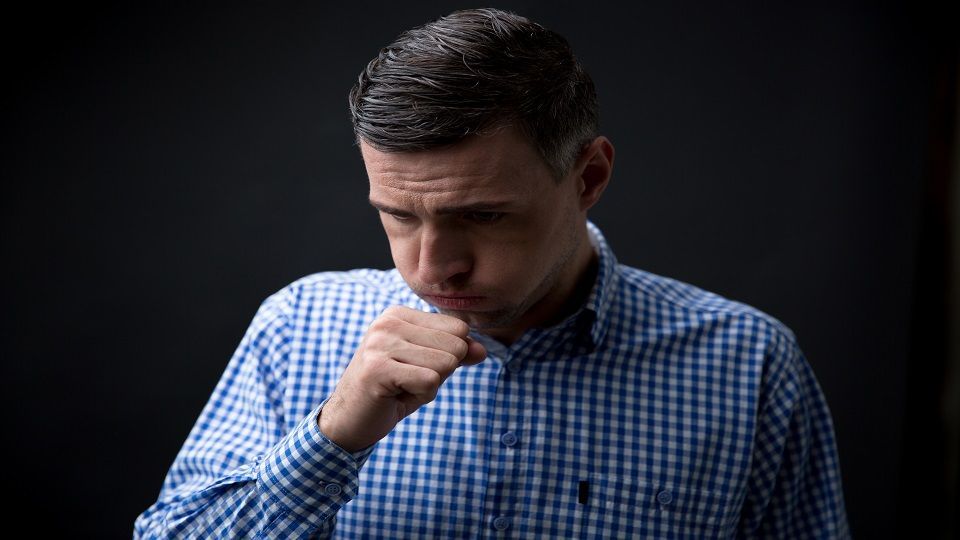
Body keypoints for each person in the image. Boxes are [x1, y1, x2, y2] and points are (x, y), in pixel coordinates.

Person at [134, 8, 848, 539]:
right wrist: (330, 439)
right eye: (398, 216)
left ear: (589, 177)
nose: (431, 267)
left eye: (483, 216)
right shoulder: (298, 327)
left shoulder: (749, 364)